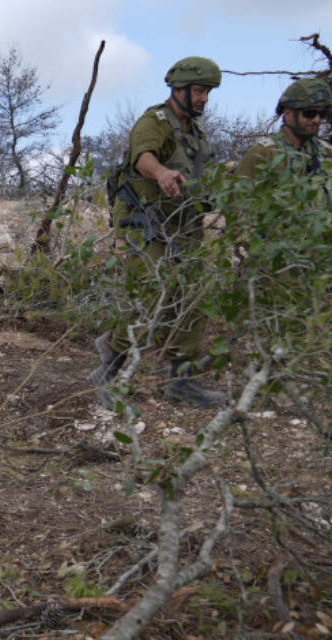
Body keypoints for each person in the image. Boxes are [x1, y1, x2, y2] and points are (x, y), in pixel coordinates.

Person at [91, 57, 227, 410]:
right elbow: (143, 158)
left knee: (191, 299)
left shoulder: (195, 134)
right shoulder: (155, 122)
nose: (204, 99)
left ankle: (181, 382)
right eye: (199, 91)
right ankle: (109, 375)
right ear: (178, 90)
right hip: (146, 224)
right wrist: (162, 173)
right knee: (146, 299)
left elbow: (209, 177)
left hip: (184, 226)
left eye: (207, 92)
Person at [233, 78, 332, 262]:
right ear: (288, 113)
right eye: (309, 114)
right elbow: (238, 205)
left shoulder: (324, 152)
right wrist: (257, 250)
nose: (316, 120)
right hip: (278, 262)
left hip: (323, 257)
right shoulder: (263, 153)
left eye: (320, 114)